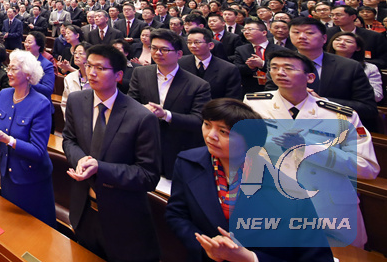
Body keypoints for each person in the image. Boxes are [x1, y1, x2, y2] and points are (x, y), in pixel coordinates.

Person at [166, 98, 335, 262]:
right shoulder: (188, 163)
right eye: (207, 124)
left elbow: (317, 257)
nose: (211, 135)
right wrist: (207, 246)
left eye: (223, 132)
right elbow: (177, 214)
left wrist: (250, 258)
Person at [246, 49, 380, 248]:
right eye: (274, 67)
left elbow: (367, 168)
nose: (279, 72)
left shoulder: (340, 115)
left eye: (288, 68)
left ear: (310, 77)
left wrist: (309, 149)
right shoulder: (254, 104)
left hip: (327, 207)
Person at [63, 44, 162, 262]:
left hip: (123, 218)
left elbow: (148, 175)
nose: (91, 72)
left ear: (118, 75)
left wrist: (100, 168)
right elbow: (69, 139)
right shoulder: (77, 101)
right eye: (89, 65)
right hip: (84, 210)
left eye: (100, 68)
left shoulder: (141, 117)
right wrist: (81, 160)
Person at [0, 50, 55, 226]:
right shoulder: (4, 95)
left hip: (32, 180)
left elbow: (38, 151)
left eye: (14, 69)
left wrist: (8, 140)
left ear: (28, 74)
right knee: (9, 226)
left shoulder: (41, 104)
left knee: (33, 232)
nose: (8, 72)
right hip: (8, 174)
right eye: (8, 68)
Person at [128, 29, 212, 178]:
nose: (157, 53)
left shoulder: (198, 85)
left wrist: (166, 115)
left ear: (179, 54)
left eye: (164, 50)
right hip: (145, 145)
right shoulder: (140, 73)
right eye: (154, 48)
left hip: (177, 148)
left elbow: (198, 120)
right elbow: (131, 103)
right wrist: (141, 109)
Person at [179, 28, 241, 100]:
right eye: (189, 42)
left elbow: (232, 98)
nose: (192, 46)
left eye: (197, 42)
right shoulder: (181, 63)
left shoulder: (228, 69)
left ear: (210, 45)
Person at [327, 31, 383, 102]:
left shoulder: (369, 68)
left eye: (348, 41)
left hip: (354, 104)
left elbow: (377, 96)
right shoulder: (321, 63)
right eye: (338, 40)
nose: (341, 43)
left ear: (358, 48)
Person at [23, 31, 56, 99]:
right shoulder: (20, 60)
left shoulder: (46, 65)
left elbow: (48, 90)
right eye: (25, 42)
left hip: (38, 100)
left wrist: (28, 82)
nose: (26, 45)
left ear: (39, 45)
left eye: (29, 42)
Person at [60, 43, 89, 115]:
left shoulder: (95, 78)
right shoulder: (69, 78)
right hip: (73, 118)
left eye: (80, 53)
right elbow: (65, 103)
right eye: (75, 53)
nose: (76, 56)